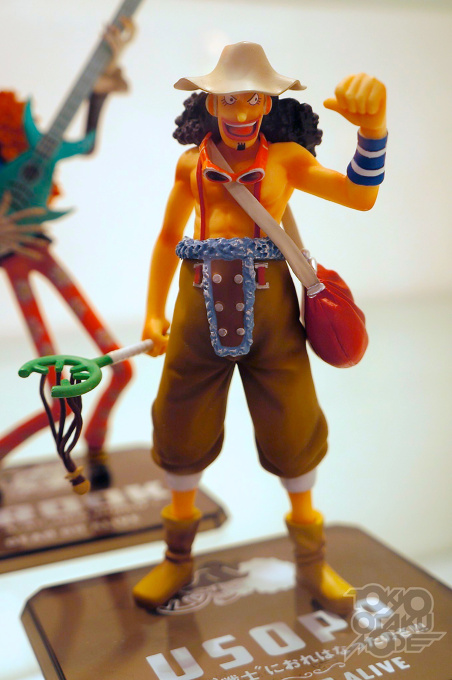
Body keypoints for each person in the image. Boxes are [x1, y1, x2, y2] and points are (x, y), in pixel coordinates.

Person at [134, 42, 387, 614]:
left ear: (269, 103)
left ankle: (313, 562)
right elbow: (167, 238)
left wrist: (373, 133)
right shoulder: (192, 164)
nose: (242, 110)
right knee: (180, 425)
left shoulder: (287, 160)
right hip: (197, 308)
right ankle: (176, 558)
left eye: (253, 98)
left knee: (293, 426)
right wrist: (153, 311)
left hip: (273, 314)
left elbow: (359, 196)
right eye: (229, 98)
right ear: (210, 103)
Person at [0, 20, 135, 489]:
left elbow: (87, 143)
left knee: (122, 367)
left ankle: (95, 442)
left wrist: (98, 93)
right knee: (57, 391)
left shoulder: (34, 152)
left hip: (41, 253)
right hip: (16, 264)